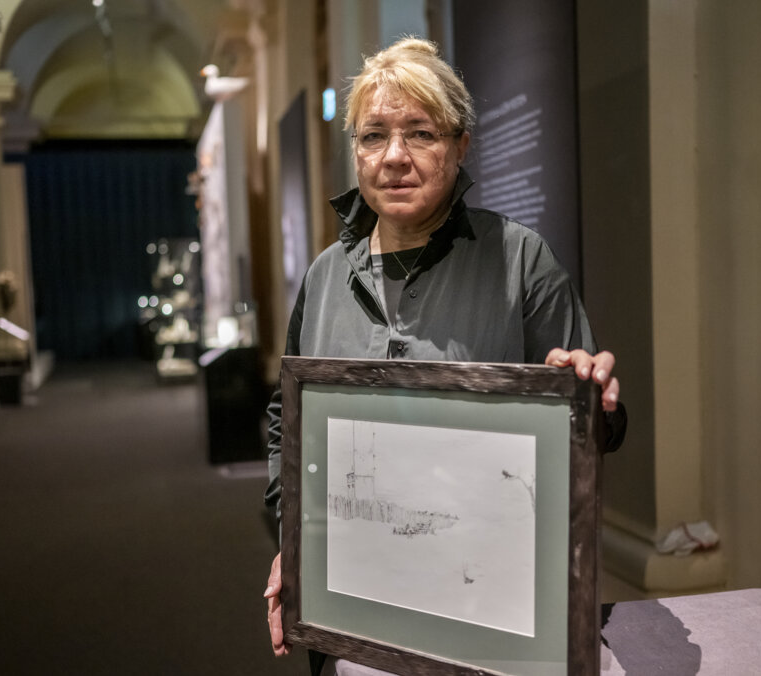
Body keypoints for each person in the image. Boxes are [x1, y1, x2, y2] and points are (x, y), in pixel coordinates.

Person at [262, 37, 626, 675]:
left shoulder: (520, 260)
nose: (394, 157)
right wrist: (293, 538)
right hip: (352, 597)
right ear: (355, 152)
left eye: (421, 133)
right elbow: (283, 422)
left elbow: (589, 423)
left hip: (484, 602)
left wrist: (593, 400)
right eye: (373, 136)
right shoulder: (324, 276)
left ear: (460, 145)